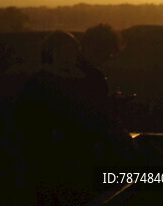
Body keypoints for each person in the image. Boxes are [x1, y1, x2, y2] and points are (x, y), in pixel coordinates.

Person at [13, 31, 128, 205]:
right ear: (51, 52)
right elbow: (28, 120)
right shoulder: (39, 82)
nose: (68, 55)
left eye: (72, 50)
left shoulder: (87, 79)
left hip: (88, 151)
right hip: (55, 155)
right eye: (62, 51)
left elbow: (96, 110)